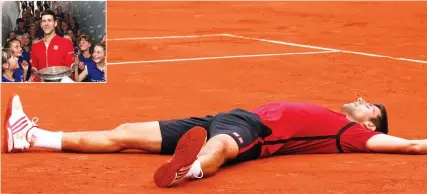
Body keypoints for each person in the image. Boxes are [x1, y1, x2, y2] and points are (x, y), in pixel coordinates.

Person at [4, 95, 427, 188]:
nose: (361, 101)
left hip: (254, 133)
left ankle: (193, 169)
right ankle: (34, 137)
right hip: (230, 116)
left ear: (371, 126)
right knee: (124, 133)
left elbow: (410, 146)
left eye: (370, 106)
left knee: (223, 144)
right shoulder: (340, 118)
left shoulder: (351, 134)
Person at [30, 9, 75, 82]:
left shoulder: (66, 43)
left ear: (55, 23)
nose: (46, 24)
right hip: (42, 89)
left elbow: (71, 71)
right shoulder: (35, 47)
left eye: (49, 20)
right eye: (44, 21)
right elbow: (35, 71)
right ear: (41, 24)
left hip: (61, 88)